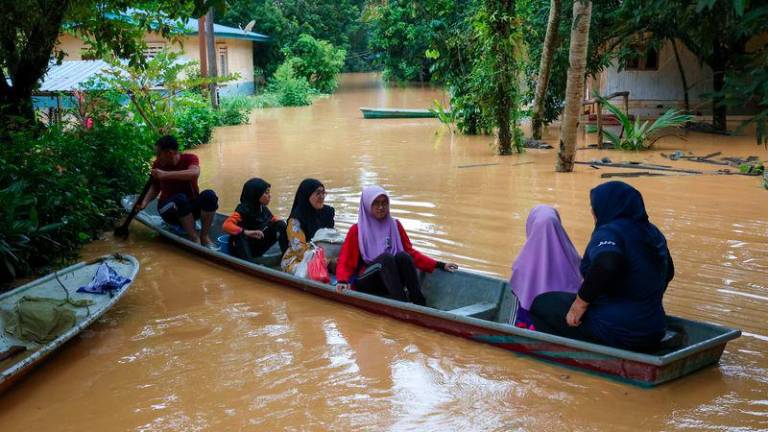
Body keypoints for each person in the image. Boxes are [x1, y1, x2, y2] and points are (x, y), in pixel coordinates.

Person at [530, 181, 675, 351]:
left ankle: (564, 357)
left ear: (606, 206)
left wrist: (579, 305)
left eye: (594, 206)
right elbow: (669, 272)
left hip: (620, 331)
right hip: (655, 329)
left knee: (541, 304)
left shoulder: (610, 231)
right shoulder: (654, 232)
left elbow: (607, 262)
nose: (592, 211)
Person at [335, 185, 459, 305]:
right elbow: (345, 260)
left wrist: (439, 265)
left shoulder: (395, 225)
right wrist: (342, 281)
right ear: (367, 206)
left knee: (403, 256)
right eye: (376, 203)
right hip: (367, 282)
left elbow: (411, 254)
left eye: (384, 203)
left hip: (390, 281)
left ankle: (419, 302)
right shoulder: (357, 230)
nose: (381, 207)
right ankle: (401, 303)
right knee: (386, 258)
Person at [137, 135, 219, 248]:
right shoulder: (158, 164)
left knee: (209, 195)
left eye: (158, 154)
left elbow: (194, 173)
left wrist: (165, 175)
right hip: (168, 210)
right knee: (180, 198)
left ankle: (204, 237)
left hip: (189, 208)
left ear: (169, 153)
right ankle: (194, 238)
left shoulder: (190, 158)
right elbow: (155, 187)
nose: (156, 158)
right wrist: (144, 203)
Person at [509, 205, 582, 328]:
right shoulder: (575, 259)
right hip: (565, 325)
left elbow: (518, 299)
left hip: (529, 324)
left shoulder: (520, 266)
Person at [222, 178, 288, 260]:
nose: (269, 195)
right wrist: (246, 232)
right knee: (240, 235)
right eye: (266, 193)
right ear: (256, 194)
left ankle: (287, 257)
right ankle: (248, 264)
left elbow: (275, 220)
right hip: (241, 249)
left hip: (256, 247)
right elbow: (226, 225)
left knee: (280, 225)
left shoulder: (262, 208)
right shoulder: (243, 209)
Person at [280, 178, 335, 274]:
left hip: (324, 255)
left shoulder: (328, 212)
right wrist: (321, 259)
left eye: (323, 193)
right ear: (306, 195)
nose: (322, 197)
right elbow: (299, 249)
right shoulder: (295, 220)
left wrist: (332, 257)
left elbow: (332, 238)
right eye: (318, 193)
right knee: (310, 271)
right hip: (298, 259)